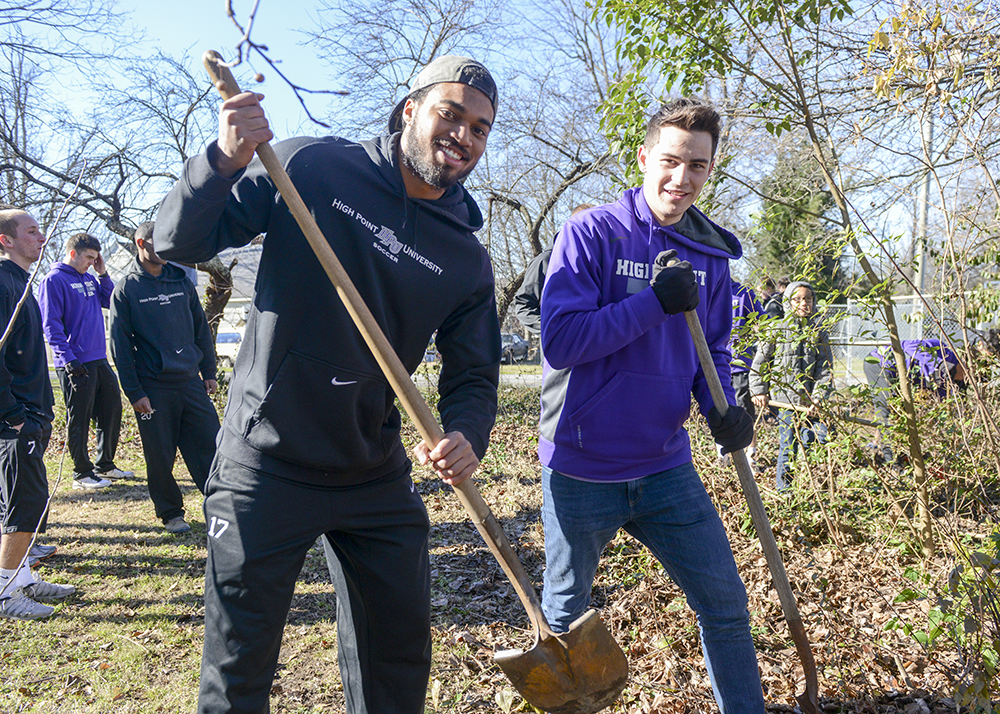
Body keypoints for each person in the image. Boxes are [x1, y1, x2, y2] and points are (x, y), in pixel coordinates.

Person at [155, 55, 501, 714]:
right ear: (411, 110)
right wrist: (224, 159)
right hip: (265, 463)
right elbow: (177, 239)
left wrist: (466, 432)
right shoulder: (312, 169)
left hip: (372, 473)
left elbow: (475, 373)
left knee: (397, 659)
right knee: (237, 669)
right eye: (450, 114)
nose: (464, 135)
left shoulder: (465, 256)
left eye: (480, 128)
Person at [537, 98, 763, 712]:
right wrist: (652, 303)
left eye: (697, 165)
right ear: (643, 159)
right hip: (581, 466)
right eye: (669, 161)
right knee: (565, 618)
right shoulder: (592, 234)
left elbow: (712, 349)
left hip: (666, 467)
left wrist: (724, 405)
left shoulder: (711, 254)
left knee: (724, 605)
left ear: (710, 169)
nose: (681, 178)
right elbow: (561, 342)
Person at [108, 222, 220, 535]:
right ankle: (171, 513)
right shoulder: (127, 288)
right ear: (142, 243)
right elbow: (119, 346)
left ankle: (222, 505)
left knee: (212, 446)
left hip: (190, 383)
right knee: (160, 457)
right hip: (153, 389)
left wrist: (208, 372)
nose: (170, 248)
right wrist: (134, 392)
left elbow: (201, 329)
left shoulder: (181, 280)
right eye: (163, 242)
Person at [0, 208, 75, 620]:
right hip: (14, 422)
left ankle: (23, 576)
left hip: (30, 415)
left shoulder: (22, 282)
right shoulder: (1, 283)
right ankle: (6, 594)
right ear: (5, 240)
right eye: (31, 231)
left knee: (25, 502)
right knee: (22, 508)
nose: (41, 237)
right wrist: (14, 415)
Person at [38, 233, 131, 490]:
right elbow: (51, 325)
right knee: (79, 416)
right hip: (75, 362)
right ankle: (81, 472)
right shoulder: (52, 280)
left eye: (95, 257)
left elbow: (110, 301)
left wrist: (103, 274)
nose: (92, 262)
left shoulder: (90, 278)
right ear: (73, 253)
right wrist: (69, 360)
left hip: (99, 358)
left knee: (111, 408)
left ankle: (105, 465)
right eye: (89, 257)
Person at [750, 281, 832, 490]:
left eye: (808, 299)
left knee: (821, 437)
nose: (804, 303)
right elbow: (760, 363)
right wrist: (759, 390)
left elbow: (825, 368)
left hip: (810, 402)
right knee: (788, 446)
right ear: (788, 302)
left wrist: (819, 396)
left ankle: (807, 447)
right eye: (798, 299)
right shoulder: (777, 329)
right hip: (785, 401)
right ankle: (785, 490)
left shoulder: (818, 332)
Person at [863, 338, 966, 462]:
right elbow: (907, 345)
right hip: (881, 363)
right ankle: (890, 462)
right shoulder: (943, 351)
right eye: (966, 375)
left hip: (901, 379)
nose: (963, 379)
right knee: (886, 410)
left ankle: (901, 455)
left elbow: (936, 410)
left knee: (901, 414)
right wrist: (938, 364)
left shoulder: (952, 383)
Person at [512, 203, 594, 338]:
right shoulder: (545, 261)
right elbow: (524, 306)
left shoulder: (597, 263)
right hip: (559, 353)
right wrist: (553, 331)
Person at [722, 278, 763, 470]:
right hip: (715, 364)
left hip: (740, 365)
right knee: (719, 409)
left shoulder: (743, 292)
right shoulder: (709, 287)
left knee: (745, 411)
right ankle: (722, 453)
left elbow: (762, 321)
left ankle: (750, 455)